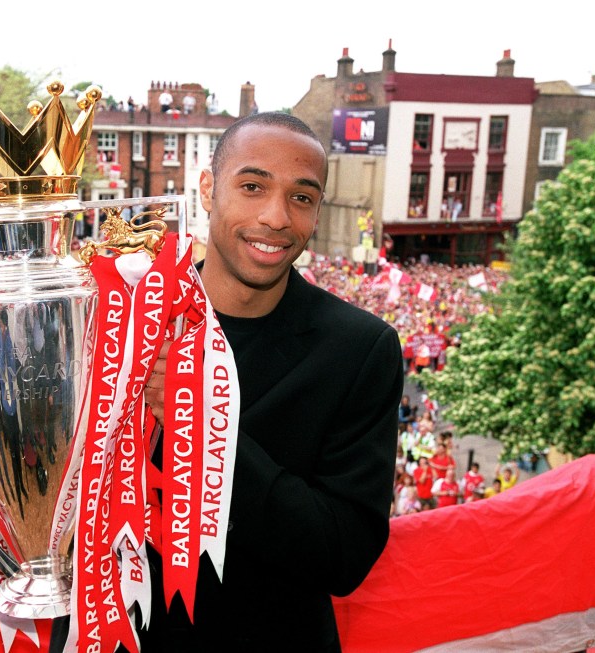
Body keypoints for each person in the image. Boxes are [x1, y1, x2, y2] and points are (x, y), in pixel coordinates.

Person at [141, 112, 402, 650]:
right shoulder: (127, 321)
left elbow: (344, 555)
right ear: (208, 188)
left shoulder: (359, 349)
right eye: (253, 186)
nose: (276, 217)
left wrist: (205, 433)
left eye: (301, 198)